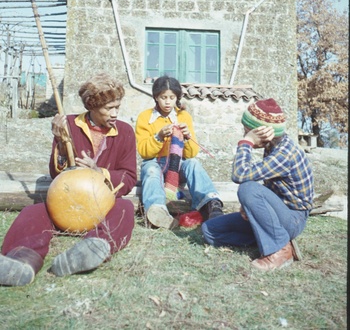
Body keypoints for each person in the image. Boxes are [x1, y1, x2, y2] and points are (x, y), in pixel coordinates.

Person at [0, 73, 137, 287]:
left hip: (103, 208)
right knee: (33, 212)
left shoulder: (125, 132)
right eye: (109, 108)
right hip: (68, 206)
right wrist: (61, 142)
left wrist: (99, 172)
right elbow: (57, 175)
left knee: (125, 208)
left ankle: (90, 249)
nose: (115, 113)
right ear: (92, 105)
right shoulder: (70, 125)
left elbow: (129, 177)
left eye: (117, 106)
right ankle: (21, 260)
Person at [201, 98, 314, 271]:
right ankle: (267, 237)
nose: (245, 134)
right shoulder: (272, 147)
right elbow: (270, 186)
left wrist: (247, 142)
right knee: (210, 230)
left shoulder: (285, 153)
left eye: (248, 131)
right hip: (277, 213)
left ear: (262, 131)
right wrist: (250, 207)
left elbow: (240, 174)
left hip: (293, 218)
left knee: (248, 188)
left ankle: (280, 249)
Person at [135, 75, 223, 229]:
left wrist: (187, 137)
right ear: (156, 97)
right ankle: (156, 210)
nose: (168, 102)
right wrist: (159, 136)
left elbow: (191, 154)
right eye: (163, 97)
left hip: (176, 168)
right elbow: (144, 152)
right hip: (155, 164)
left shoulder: (183, 116)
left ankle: (210, 204)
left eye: (172, 97)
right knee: (150, 169)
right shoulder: (145, 117)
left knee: (193, 163)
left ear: (177, 98)